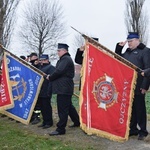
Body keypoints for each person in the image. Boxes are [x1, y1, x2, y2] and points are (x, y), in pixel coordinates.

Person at [115, 32, 150, 140]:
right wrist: (118, 48)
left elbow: (148, 69)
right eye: (128, 41)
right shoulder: (127, 52)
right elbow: (118, 60)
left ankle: (143, 131)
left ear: (137, 40)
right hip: (128, 85)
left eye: (130, 41)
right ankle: (133, 129)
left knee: (140, 109)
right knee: (131, 108)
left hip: (139, 84)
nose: (128, 43)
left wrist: (144, 86)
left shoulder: (145, 51)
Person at [46, 43, 80, 136]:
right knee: (68, 106)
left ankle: (60, 129)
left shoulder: (65, 59)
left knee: (62, 109)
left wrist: (50, 77)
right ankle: (77, 121)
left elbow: (59, 71)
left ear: (64, 51)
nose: (57, 52)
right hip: (65, 87)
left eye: (59, 50)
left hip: (63, 88)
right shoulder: (64, 59)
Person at [37, 54, 55, 129]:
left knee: (46, 107)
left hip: (46, 90)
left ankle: (49, 122)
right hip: (40, 90)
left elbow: (51, 80)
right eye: (41, 60)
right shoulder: (40, 68)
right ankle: (44, 121)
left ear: (47, 60)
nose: (42, 61)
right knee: (42, 107)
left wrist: (49, 91)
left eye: (44, 60)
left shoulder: (51, 68)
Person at [29, 52, 41, 124]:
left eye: (35, 58)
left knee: (38, 104)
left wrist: (37, 65)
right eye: (32, 58)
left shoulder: (39, 65)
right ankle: (32, 116)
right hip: (31, 86)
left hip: (38, 86)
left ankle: (37, 117)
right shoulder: (30, 65)